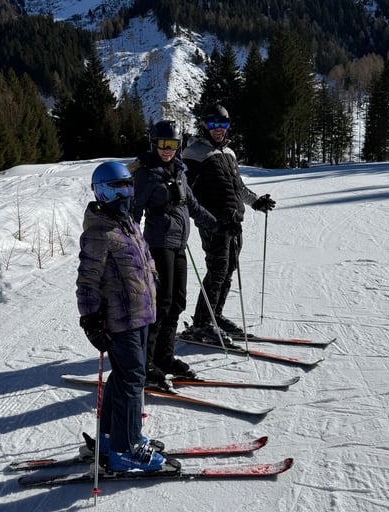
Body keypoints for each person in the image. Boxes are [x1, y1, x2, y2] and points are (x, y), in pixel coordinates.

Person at [76, 161, 165, 472]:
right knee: (133, 379)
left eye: (129, 186)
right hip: (119, 319)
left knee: (123, 376)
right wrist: (90, 320)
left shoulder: (128, 223)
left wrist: (153, 278)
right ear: (102, 191)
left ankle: (110, 437)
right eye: (118, 187)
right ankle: (125, 449)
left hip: (141, 313)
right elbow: (87, 280)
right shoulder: (99, 231)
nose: (126, 192)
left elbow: (145, 256)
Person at [131, 120, 218, 388]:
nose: (167, 149)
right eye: (162, 144)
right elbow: (135, 213)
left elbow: (191, 204)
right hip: (159, 245)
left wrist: (215, 224)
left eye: (172, 144)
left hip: (179, 244)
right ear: (154, 144)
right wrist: (132, 245)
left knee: (178, 302)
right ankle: (147, 365)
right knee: (161, 305)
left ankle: (165, 358)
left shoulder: (179, 171)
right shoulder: (145, 175)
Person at [181, 104, 276, 341]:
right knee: (217, 270)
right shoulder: (194, 153)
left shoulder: (229, 153)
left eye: (222, 123)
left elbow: (238, 187)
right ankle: (202, 323)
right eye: (212, 124)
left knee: (228, 268)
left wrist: (256, 202)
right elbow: (185, 192)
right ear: (204, 125)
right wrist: (206, 219)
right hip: (213, 224)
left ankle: (215, 314)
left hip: (233, 222)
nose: (218, 128)